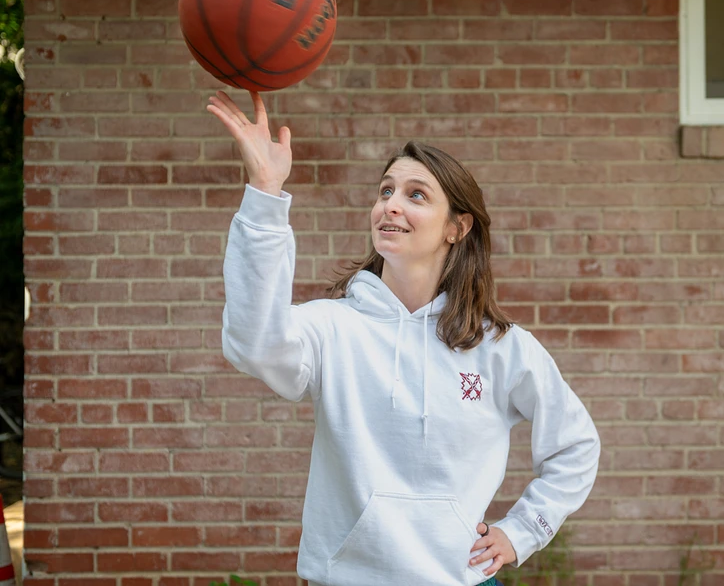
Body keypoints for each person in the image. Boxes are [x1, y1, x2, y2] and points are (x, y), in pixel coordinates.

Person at [208, 90, 601, 586]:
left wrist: (522, 531)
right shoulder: (333, 327)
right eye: (386, 190)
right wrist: (265, 193)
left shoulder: (503, 348)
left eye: (416, 195)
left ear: (457, 227)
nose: (391, 205)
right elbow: (253, 342)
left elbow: (576, 446)